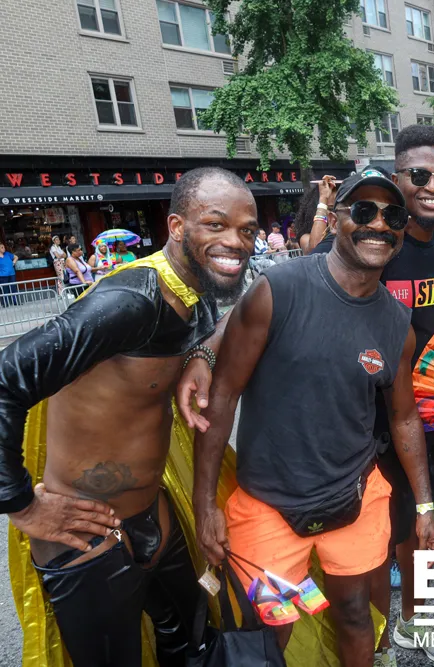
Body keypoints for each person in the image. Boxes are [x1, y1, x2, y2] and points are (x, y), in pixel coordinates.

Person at [0, 167, 255, 667]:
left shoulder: (196, 289)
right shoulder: (130, 300)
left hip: (156, 517)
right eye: (216, 224)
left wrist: (200, 357)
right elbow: (6, 380)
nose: (236, 241)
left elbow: (223, 320)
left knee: (192, 647)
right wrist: (21, 505)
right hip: (86, 539)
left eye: (247, 230)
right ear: (177, 227)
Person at [193, 171, 434, 667]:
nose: (379, 225)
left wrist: (425, 506)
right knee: (270, 632)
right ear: (336, 218)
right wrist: (204, 506)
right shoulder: (279, 289)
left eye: (392, 216)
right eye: (363, 211)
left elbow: (403, 417)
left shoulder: (397, 323)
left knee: (355, 614)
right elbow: (221, 399)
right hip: (269, 502)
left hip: (354, 497)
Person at [377, 125, 434, 666]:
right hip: (375, 416)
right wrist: (208, 352)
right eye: (419, 175)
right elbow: (294, 283)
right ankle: (406, 620)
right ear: (397, 178)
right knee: (390, 526)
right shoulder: (373, 244)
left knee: (421, 520)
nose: (433, 186)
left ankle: (411, 614)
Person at [0, 242, 18, 307]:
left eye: (4, 247)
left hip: (12, 274)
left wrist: (13, 262)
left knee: (13, 288)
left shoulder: (7, 254)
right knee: (5, 289)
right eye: (2, 247)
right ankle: (6, 303)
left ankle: (15, 301)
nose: (4, 248)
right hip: (2, 276)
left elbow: (16, 257)